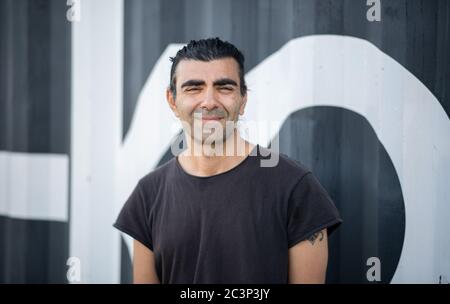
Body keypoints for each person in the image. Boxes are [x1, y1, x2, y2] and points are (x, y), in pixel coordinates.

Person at [114, 37, 342, 284]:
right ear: (172, 101)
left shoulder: (295, 188)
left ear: (243, 99)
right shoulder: (148, 195)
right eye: (194, 88)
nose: (210, 101)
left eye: (224, 87)